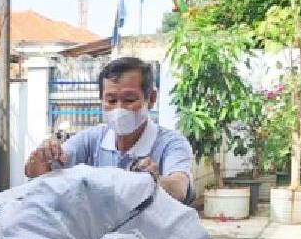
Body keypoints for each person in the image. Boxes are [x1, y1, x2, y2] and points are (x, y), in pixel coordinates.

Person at [24, 56, 195, 203]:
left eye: (129, 100)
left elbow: (179, 188)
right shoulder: (91, 140)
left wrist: (155, 181)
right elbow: (46, 176)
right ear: (101, 100)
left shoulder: (171, 144)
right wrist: (41, 159)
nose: (119, 109)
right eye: (111, 101)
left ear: (151, 99)